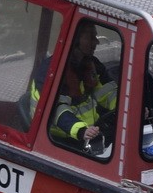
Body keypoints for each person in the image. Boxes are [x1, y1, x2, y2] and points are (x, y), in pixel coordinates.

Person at [30, 22, 118, 150]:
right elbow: (55, 110)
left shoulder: (91, 64)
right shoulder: (51, 72)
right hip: (58, 137)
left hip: (89, 130)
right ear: (75, 39)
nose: (96, 42)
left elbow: (109, 93)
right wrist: (81, 130)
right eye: (90, 37)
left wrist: (130, 110)